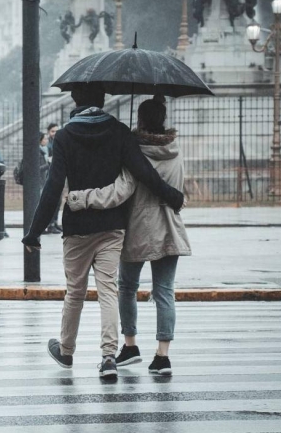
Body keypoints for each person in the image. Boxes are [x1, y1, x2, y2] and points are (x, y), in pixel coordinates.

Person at [21, 83, 185, 380]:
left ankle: (67, 351)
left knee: (75, 292)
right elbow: (142, 172)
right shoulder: (120, 132)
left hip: (77, 227)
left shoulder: (65, 136)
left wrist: (34, 231)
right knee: (108, 290)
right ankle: (109, 357)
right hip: (113, 226)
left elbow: (53, 186)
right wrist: (171, 194)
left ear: (74, 100)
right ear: (103, 98)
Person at [66, 99, 192, 375]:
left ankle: (131, 345)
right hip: (170, 227)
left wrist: (83, 198)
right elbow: (178, 187)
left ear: (140, 119)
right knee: (164, 292)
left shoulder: (134, 151)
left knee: (125, 288)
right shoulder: (175, 149)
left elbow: (123, 189)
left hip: (138, 226)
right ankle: (163, 356)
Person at [46, 123, 63, 234]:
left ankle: (55, 222)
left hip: (58, 174)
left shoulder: (58, 142)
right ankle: (51, 224)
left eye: (57, 131)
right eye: (53, 131)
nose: (55, 133)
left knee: (58, 200)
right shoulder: (47, 144)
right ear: (48, 132)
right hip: (50, 175)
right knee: (52, 201)